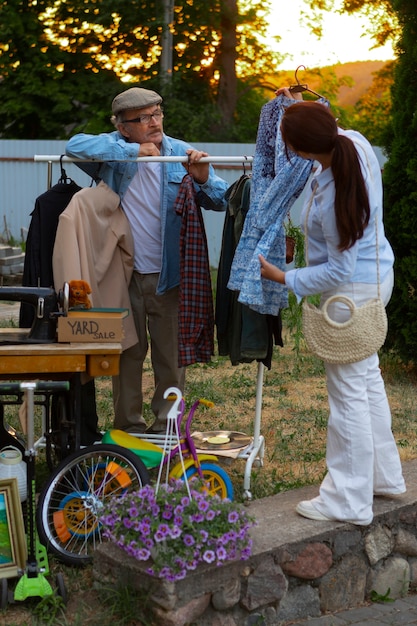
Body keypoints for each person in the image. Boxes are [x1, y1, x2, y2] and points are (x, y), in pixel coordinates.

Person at [259, 89, 406, 526]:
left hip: (351, 295)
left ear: (298, 150)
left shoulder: (335, 191)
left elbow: (338, 271)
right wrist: (300, 106)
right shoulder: (352, 142)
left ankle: (347, 500)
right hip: (376, 279)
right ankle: (384, 478)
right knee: (367, 382)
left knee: (347, 397)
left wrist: (285, 277)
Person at [66, 87, 228, 433]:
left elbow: (221, 198)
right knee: (128, 353)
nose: (154, 122)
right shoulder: (116, 152)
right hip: (122, 275)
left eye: (157, 113)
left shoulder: (181, 153)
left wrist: (201, 178)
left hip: (169, 275)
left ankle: (167, 427)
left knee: (170, 359)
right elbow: (74, 145)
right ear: (123, 127)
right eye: (142, 118)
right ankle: (128, 428)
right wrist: (130, 150)